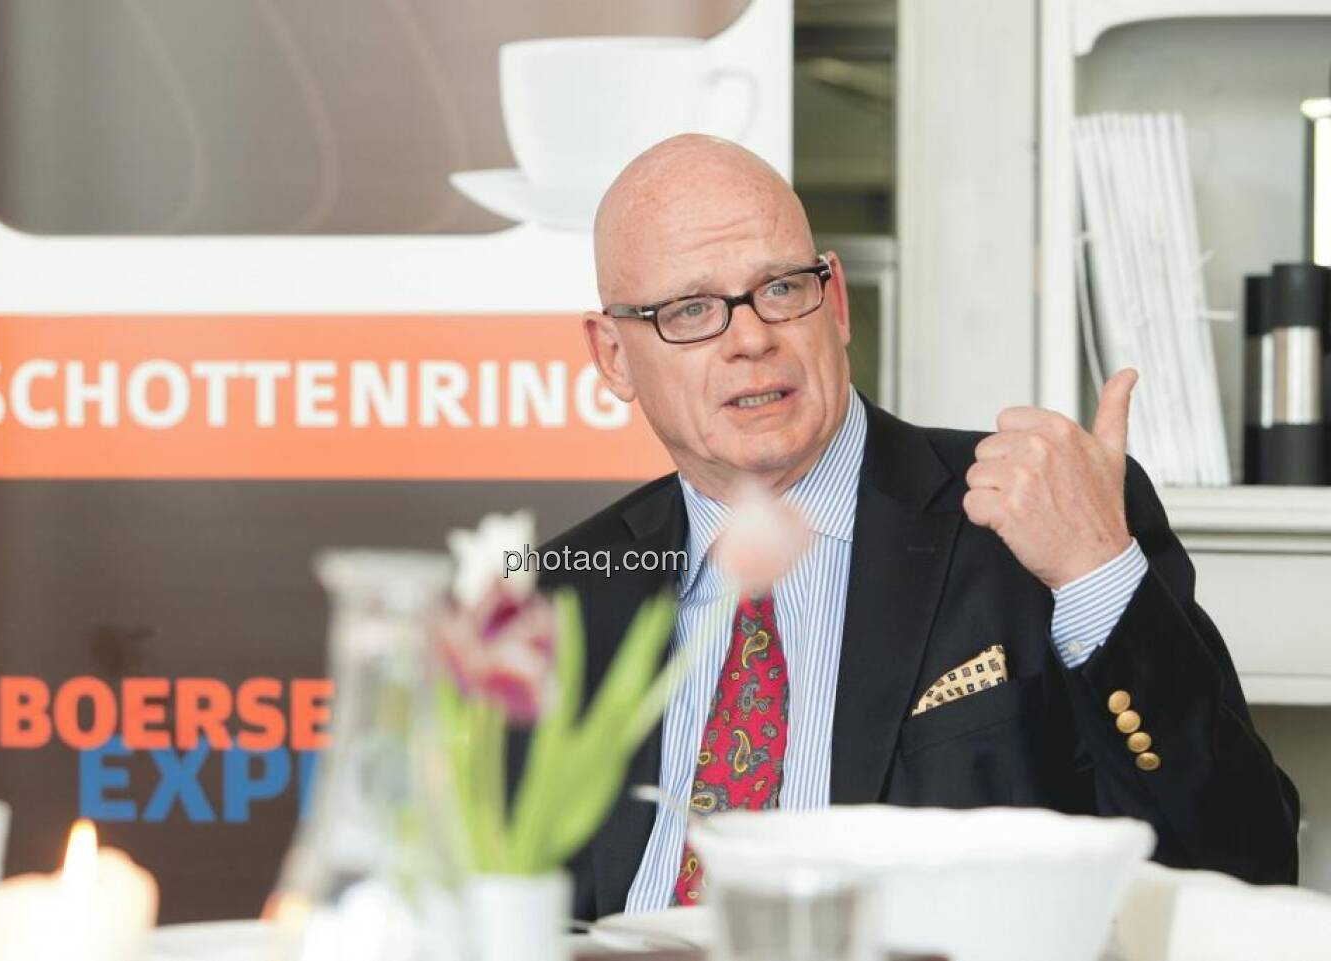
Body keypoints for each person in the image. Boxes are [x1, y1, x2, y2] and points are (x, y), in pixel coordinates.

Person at [534, 134, 1299, 919]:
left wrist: (1097, 577)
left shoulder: (1039, 519)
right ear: (613, 356)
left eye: (782, 287)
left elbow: (1246, 864)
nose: (752, 337)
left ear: (835, 301)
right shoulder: (554, 598)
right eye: (691, 310)